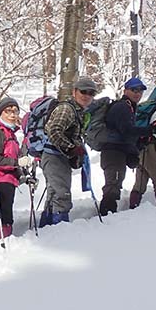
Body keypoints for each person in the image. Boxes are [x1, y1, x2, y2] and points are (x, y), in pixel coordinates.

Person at [39, 77, 96, 226]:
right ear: (74, 92)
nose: (87, 96)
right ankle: (59, 229)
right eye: (83, 91)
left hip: (57, 156)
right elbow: (54, 130)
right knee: (61, 194)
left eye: (91, 93)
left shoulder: (79, 111)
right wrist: (70, 148)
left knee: (54, 193)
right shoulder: (67, 109)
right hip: (54, 156)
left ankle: (47, 227)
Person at [97, 78, 156, 216]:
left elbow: (125, 133)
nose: (138, 93)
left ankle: (108, 216)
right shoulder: (122, 107)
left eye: (140, 90)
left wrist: (137, 145)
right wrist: (149, 130)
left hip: (117, 151)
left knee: (115, 184)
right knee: (113, 186)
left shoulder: (129, 107)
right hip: (112, 152)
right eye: (134, 90)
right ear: (125, 91)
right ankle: (106, 219)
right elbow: (126, 130)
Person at [0, 97, 32, 240]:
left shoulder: (10, 133)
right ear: (0, 113)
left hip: (8, 180)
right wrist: (17, 162)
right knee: (4, 218)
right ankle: (0, 246)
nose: (12, 114)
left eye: (15, 111)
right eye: (8, 111)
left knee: (1, 216)